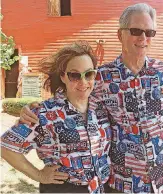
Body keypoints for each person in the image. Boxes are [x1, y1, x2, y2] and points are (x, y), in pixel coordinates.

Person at [16, 3, 163, 194]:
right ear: (120, 35)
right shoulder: (101, 77)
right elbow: (70, 100)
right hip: (123, 184)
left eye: (150, 32)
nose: (143, 38)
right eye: (136, 30)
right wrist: (31, 110)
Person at [1, 41, 113, 193]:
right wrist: (39, 175)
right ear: (63, 77)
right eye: (74, 75)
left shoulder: (101, 108)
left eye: (89, 74)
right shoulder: (44, 113)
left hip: (99, 188)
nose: (83, 82)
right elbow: (6, 147)